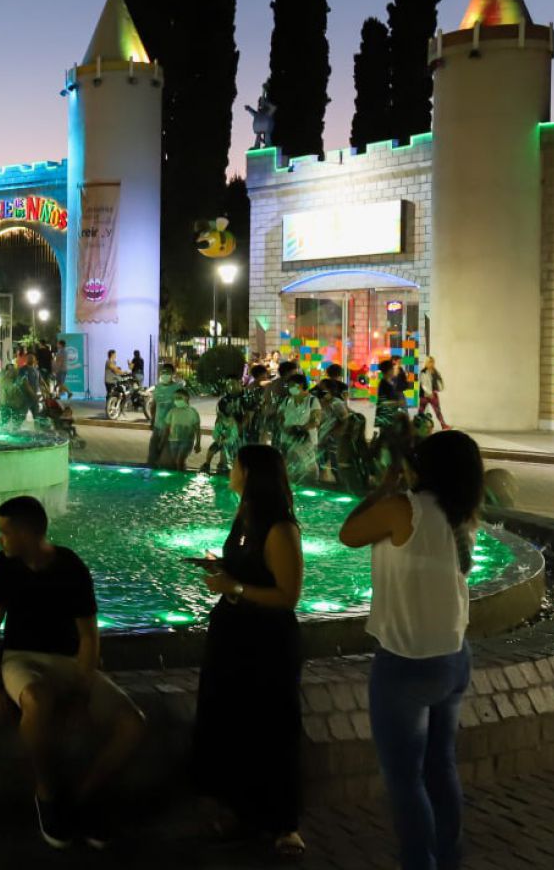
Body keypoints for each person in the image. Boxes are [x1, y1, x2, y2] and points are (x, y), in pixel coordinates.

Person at [340, 431, 485, 870]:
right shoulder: (461, 514)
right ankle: (448, 859)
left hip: (406, 661)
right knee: (441, 769)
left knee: (405, 781)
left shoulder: (404, 507)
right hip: (453, 655)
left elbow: (349, 533)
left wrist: (386, 483)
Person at [0, 495, 145, 850]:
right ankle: (47, 795)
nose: (0, 539)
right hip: (20, 659)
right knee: (38, 700)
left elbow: (88, 636)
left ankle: (82, 798)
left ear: (26, 534)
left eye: (4, 532)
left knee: (134, 724)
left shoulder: (71, 567)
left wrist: (83, 691)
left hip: (69, 662)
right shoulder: (5, 565)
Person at [190, 445, 307, 859]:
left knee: (272, 725)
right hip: (233, 633)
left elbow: (288, 596)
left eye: (236, 465)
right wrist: (221, 570)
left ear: (250, 473)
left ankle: (283, 823)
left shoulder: (279, 528)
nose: (230, 470)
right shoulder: (246, 516)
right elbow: (246, 568)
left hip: (267, 641)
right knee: (233, 723)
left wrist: (234, 587)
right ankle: (241, 811)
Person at [159, 387, 201, 470]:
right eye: (175, 398)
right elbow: (167, 428)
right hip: (173, 440)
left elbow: (197, 429)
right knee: (177, 461)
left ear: (187, 398)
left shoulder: (193, 412)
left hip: (187, 441)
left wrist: (198, 443)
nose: (177, 400)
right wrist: (162, 441)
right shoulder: (172, 412)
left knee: (179, 460)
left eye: (179, 398)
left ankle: (180, 477)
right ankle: (182, 475)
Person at [416, 356, 447, 428]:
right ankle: (416, 426)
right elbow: (424, 384)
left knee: (438, 410)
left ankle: (443, 425)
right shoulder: (423, 372)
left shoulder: (435, 371)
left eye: (432, 362)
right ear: (427, 362)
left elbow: (439, 380)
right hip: (424, 395)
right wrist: (429, 393)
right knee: (421, 411)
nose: (432, 363)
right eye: (430, 362)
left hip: (433, 393)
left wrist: (440, 388)